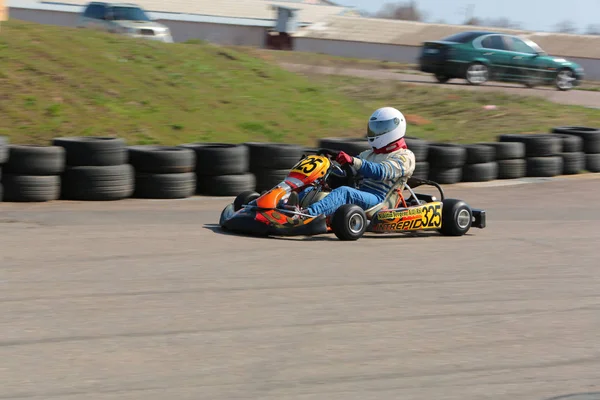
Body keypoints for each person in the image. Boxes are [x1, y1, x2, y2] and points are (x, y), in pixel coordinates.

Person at [289, 106, 416, 218]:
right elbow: (350, 170)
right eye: (374, 128)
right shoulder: (369, 154)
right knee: (314, 188)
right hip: (361, 192)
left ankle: (307, 215)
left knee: (345, 192)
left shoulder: (405, 156)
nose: (376, 132)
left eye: (381, 128)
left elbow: (381, 171)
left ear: (395, 128)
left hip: (379, 200)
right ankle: (284, 209)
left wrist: (352, 160)